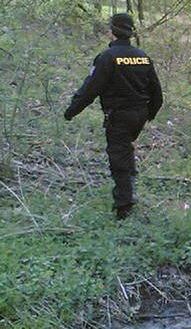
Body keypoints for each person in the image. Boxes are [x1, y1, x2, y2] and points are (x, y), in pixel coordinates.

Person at [64, 13, 163, 219]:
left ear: (112, 32)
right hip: (140, 114)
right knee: (125, 149)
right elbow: (157, 92)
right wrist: (150, 114)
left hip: (119, 115)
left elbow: (90, 89)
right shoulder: (143, 56)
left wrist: (71, 111)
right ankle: (130, 180)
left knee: (118, 157)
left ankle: (124, 206)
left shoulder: (107, 58)